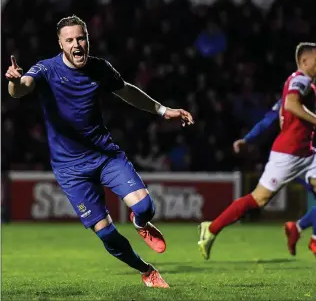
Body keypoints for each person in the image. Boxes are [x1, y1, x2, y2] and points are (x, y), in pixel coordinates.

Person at [5, 15, 194, 288]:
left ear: (88, 40)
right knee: (106, 233)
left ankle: (140, 223)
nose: (77, 44)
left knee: (145, 207)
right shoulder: (46, 70)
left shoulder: (99, 68)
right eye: (69, 40)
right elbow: (20, 90)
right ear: (60, 44)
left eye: (81, 38)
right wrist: (13, 80)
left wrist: (163, 110)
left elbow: (126, 91)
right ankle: (146, 271)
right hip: (70, 169)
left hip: (104, 155)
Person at [198, 42, 316, 262]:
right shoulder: (300, 79)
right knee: (258, 200)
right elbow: (290, 104)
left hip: (306, 153)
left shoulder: (312, 90)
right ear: (304, 61)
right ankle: (211, 229)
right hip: (287, 154)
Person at [232, 71, 316, 260]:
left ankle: (302, 230)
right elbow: (266, 122)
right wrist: (246, 140)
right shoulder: (290, 100)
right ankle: (312, 237)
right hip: (291, 158)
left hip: (311, 154)